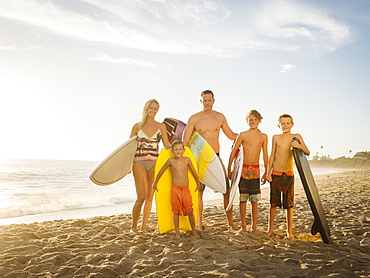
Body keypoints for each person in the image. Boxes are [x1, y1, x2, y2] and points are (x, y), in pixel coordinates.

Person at [183, 90, 238, 230]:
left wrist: (245, 136)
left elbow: (231, 135)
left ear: (214, 101)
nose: (207, 103)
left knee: (226, 189)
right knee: (199, 191)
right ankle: (199, 224)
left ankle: (230, 223)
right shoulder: (194, 119)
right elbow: (186, 141)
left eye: (209, 100)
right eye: (204, 100)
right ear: (200, 101)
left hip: (215, 158)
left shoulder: (219, 117)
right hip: (198, 159)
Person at [265, 114, 310, 239]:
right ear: (279, 125)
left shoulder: (296, 137)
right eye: (283, 123)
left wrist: (299, 146)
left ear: (292, 124)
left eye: (288, 123)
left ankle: (289, 231)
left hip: (289, 174)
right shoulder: (276, 137)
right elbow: (272, 155)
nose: (285, 125)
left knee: (289, 205)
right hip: (276, 174)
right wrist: (268, 173)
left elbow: (307, 152)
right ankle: (270, 230)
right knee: (273, 204)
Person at [130, 99, 170, 233]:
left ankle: (143, 227)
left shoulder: (161, 127)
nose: (152, 111)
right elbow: (128, 148)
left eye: (155, 109)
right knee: (140, 196)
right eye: (150, 108)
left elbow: (167, 146)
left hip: (154, 163)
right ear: (146, 109)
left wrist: (181, 149)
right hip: (138, 163)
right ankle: (134, 227)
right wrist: (126, 168)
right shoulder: (137, 127)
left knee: (149, 197)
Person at [227, 110, 268, 233]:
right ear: (247, 121)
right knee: (243, 199)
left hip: (255, 169)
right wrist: (229, 169)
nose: (253, 122)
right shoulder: (243, 135)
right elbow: (234, 152)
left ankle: (254, 226)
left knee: (254, 200)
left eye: (255, 120)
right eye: (250, 120)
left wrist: (266, 171)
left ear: (259, 121)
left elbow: (265, 154)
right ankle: (244, 226)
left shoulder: (263, 137)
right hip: (243, 170)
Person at [153, 140, 200, 238]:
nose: (178, 151)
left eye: (180, 149)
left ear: (183, 150)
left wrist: (198, 183)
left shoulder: (187, 160)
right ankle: (177, 231)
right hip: (175, 189)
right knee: (176, 211)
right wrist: (155, 183)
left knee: (190, 211)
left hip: (185, 189)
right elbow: (161, 171)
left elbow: (194, 172)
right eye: (176, 149)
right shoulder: (170, 161)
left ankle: (194, 230)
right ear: (172, 151)